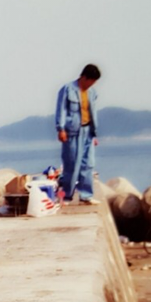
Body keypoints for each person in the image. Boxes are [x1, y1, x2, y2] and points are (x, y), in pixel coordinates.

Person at [55, 64, 101, 204]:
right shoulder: (68, 89)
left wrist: (94, 135)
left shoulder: (92, 92)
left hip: (88, 132)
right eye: (91, 81)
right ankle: (67, 196)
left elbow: (93, 113)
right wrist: (61, 129)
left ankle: (86, 195)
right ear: (84, 77)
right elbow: (61, 110)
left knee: (88, 164)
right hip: (72, 132)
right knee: (71, 164)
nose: (92, 85)